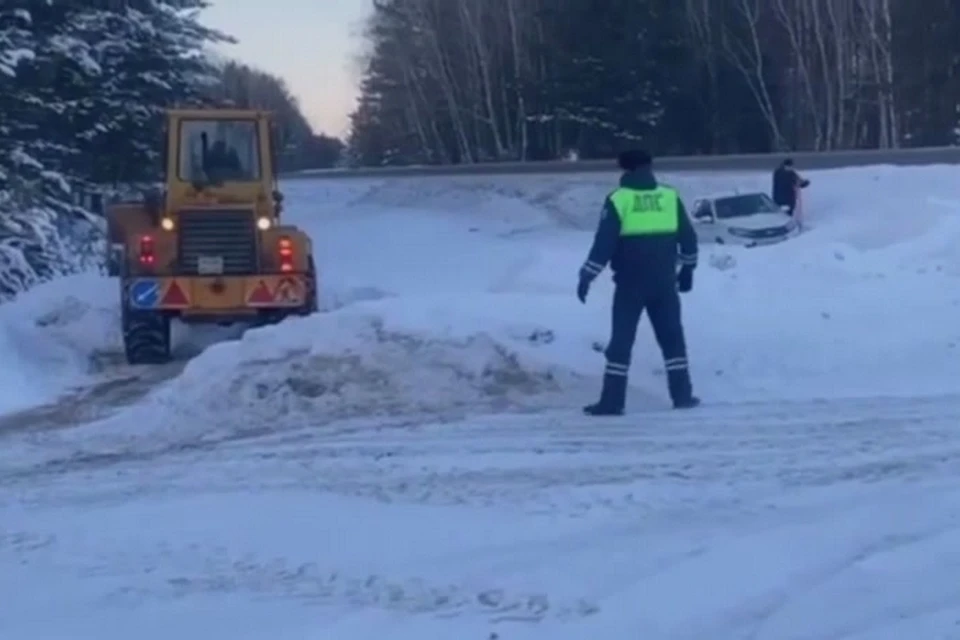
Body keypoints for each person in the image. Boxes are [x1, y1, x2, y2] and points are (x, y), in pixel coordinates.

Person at [577, 149, 700, 416]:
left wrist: (587, 275)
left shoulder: (619, 200)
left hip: (630, 285)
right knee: (672, 340)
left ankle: (612, 401)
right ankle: (683, 395)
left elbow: (604, 244)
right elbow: (689, 237)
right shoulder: (669, 196)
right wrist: (688, 269)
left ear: (625, 170)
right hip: (665, 283)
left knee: (621, 342)